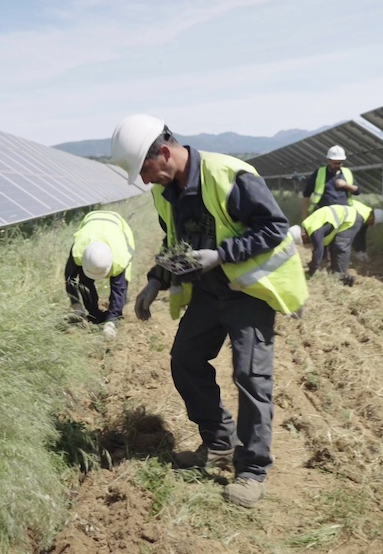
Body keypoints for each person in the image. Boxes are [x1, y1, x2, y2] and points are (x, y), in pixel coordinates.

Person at [110, 114, 308, 508]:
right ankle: (219, 443)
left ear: (164, 152)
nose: (146, 181)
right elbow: (176, 239)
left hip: (249, 291)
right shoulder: (164, 192)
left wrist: (221, 255)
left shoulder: (229, 175)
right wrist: (157, 278)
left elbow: (273, 227)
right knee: (185, 360)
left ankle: (252, 470)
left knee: (251, 378)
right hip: (208, 292)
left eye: (146, 170)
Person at [65, 209, 135, 338]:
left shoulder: (120, 259)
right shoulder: (79, 253)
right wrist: (76, 304)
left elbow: (119, 288)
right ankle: (93, 314)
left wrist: (112, 321)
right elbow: (69, 277)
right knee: (84, 282)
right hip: (91, 220)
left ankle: (113, 317)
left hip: (117, 223)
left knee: (120, 285)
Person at [289, 202, 383, 286]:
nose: (306, 243)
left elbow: (318, 250)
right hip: (344, 217)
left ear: (303, 235)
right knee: (336, 245)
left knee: (341, 246)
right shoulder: (310, 225)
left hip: (349, 218)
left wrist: (310, 272)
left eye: (304, 241)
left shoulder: (315, 231)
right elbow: (320, 250)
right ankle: (335, 272)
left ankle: (340, 276)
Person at [301, 145, 359, 220]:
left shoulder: (347, 173)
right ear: (328, 161)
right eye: (335, 163)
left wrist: (346, 185)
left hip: (342, 217)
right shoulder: (319, 173)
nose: (337, 165)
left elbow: (357, 191)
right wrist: (305, 218)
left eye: (340, 163)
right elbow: (306, 195)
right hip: (322, 217)